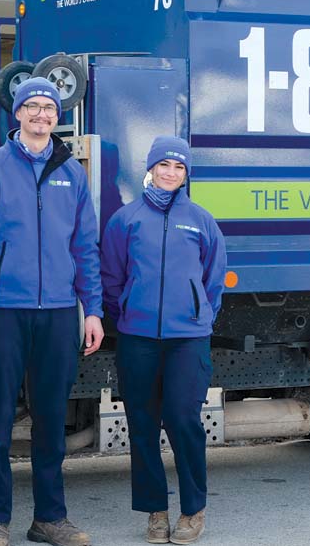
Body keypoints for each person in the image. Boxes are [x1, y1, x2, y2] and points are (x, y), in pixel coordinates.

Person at [0, 76, 104, 546]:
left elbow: (85, 248)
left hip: (59, 313)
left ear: (58, 117)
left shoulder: (71, 173)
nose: (41, 115)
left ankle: (49, 519)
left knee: (51, 421)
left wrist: (92, 310)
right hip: (1, 312)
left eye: (49, 108)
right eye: (32, 107)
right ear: (16, 114)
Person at [100, 136, 227, 545]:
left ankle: (193, 510)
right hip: (138, 338)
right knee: (141, 424)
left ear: (187, 174)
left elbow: (213, 281)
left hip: (187, 340)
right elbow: (112, 277)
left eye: (179, 167)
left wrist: (195, 315)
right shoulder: (126, 219)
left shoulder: (202, 221)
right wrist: (129, 314)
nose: (171, 173)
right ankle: (155, 511)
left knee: (183, 420)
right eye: (164, 166)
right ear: (150, 169)